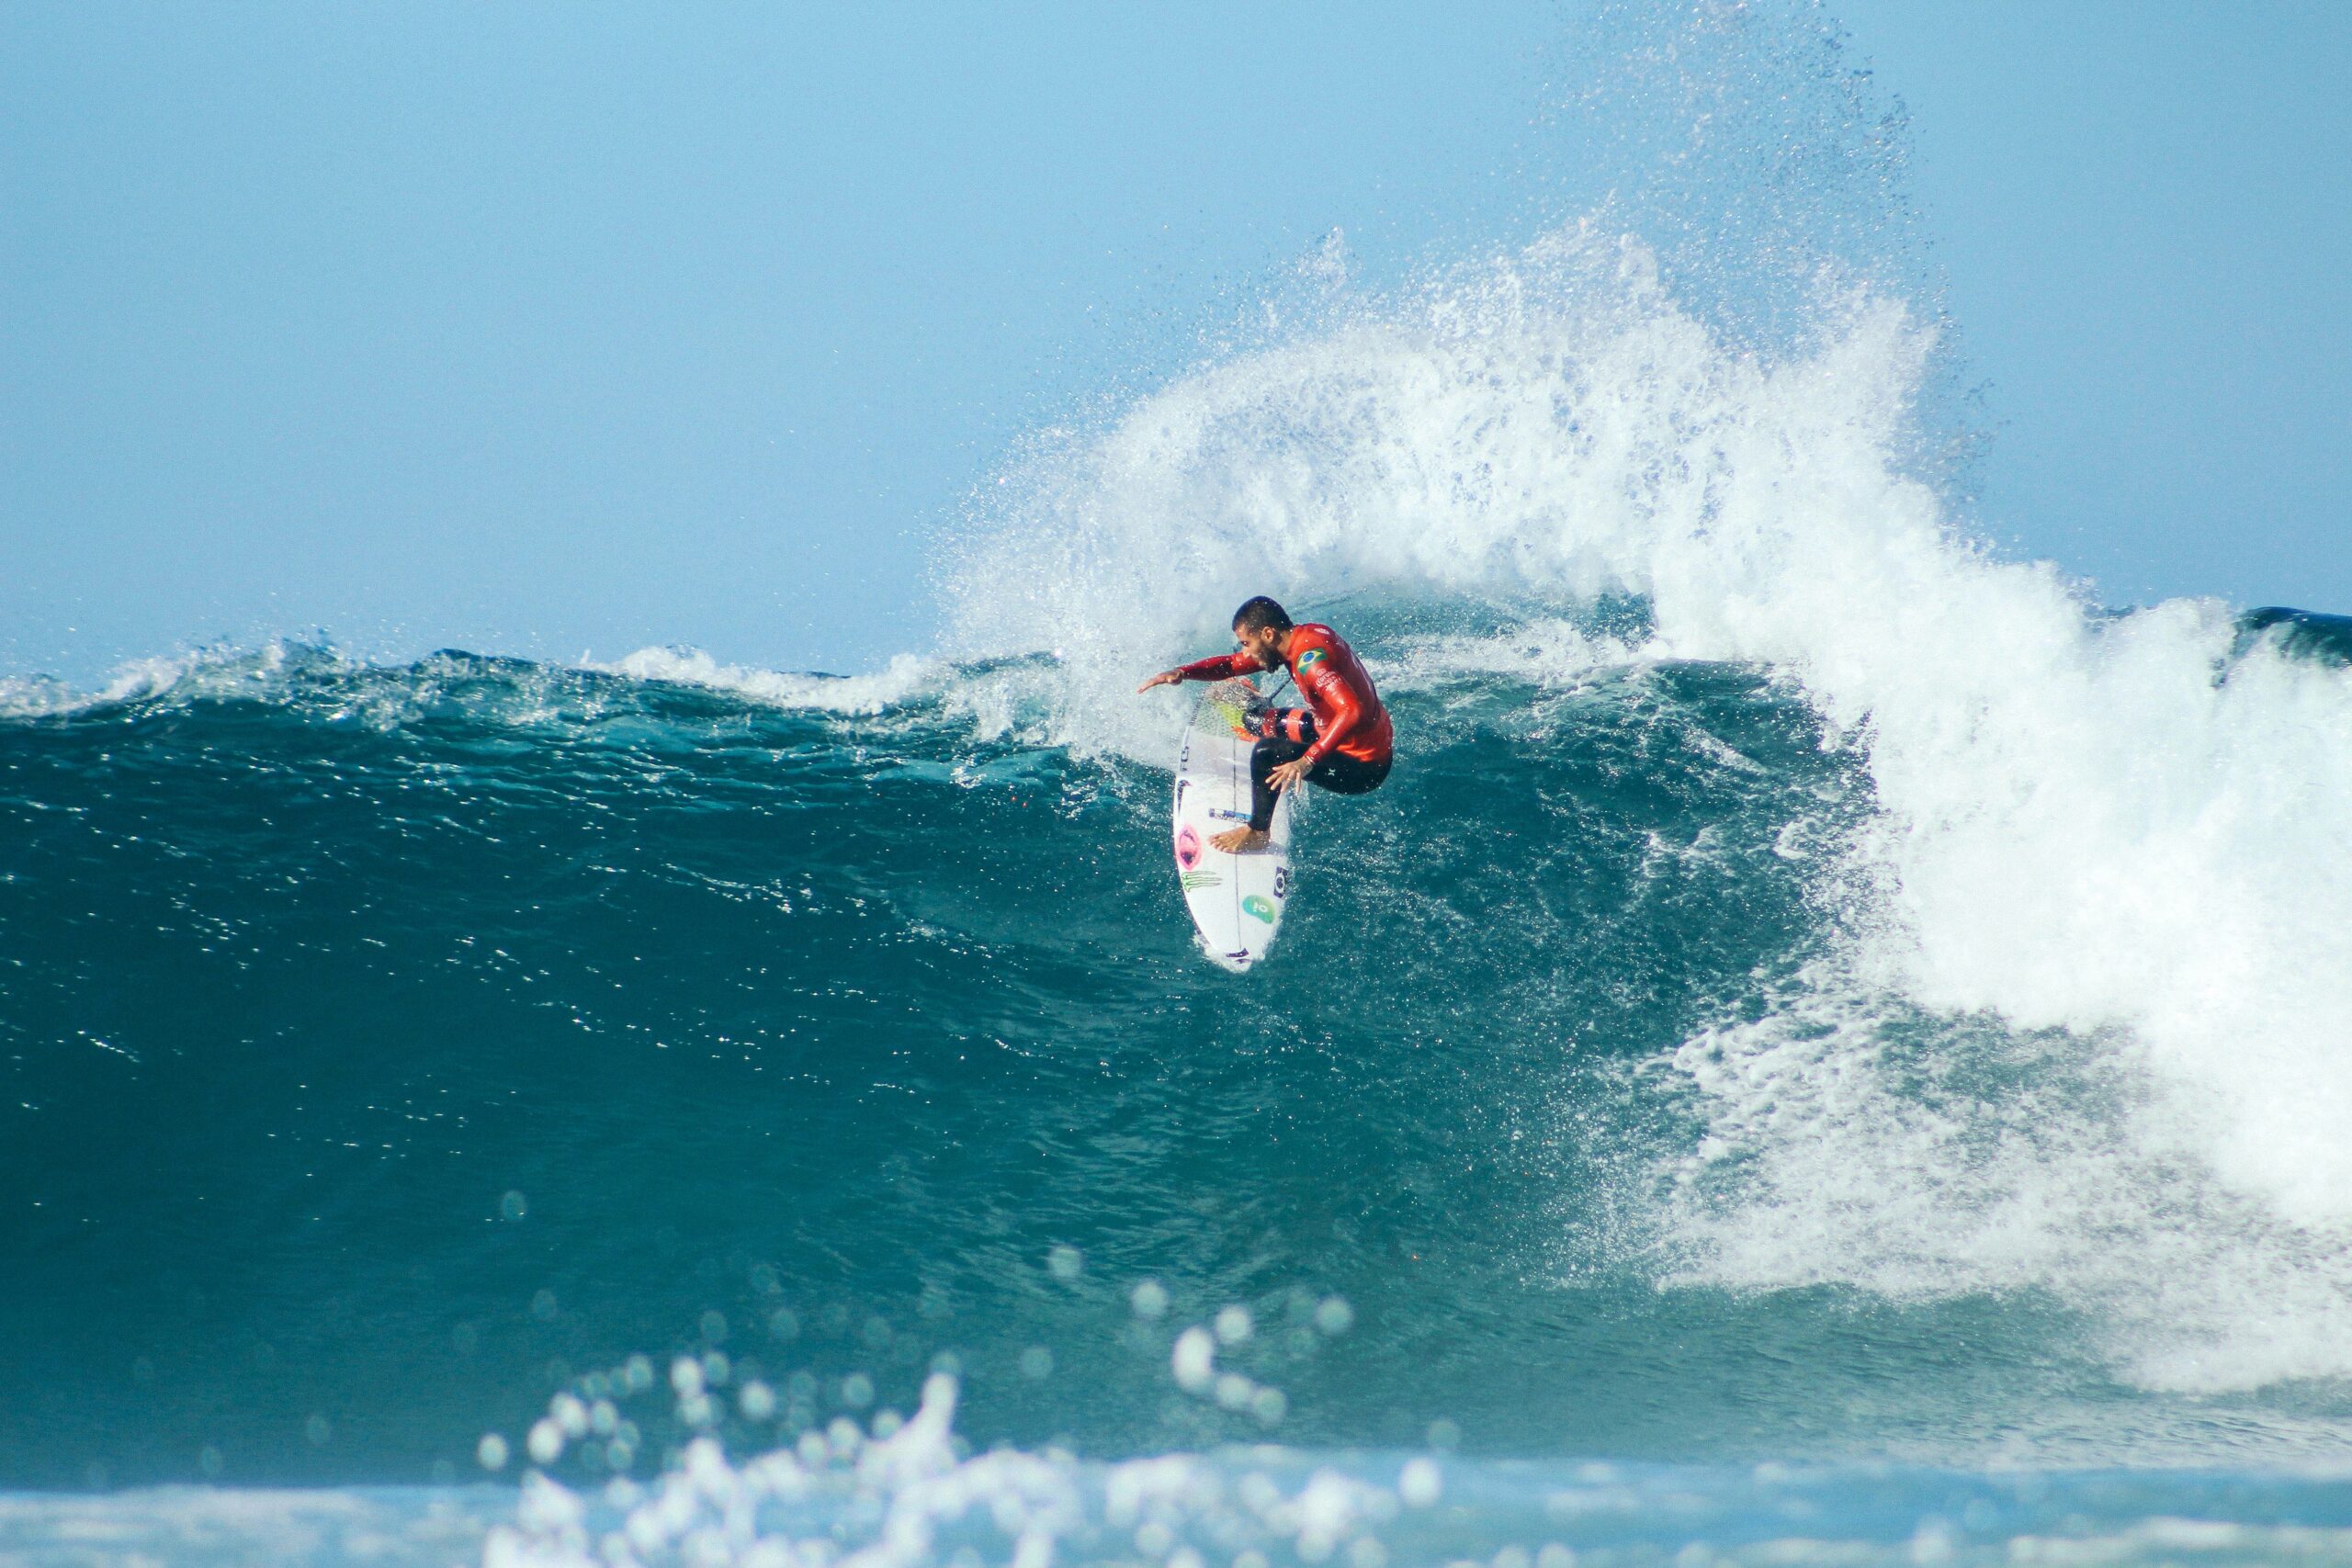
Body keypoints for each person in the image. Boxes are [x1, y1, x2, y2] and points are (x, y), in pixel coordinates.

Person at [1137, 597, 1393, 852]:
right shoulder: (1303, 636)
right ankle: (1269, 727)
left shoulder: (1310, 662)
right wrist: (1183, 672)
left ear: (1268, 634)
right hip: (1334, 730)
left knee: (1266, 753)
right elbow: (1232, 664)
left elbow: (1352, 711)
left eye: (1247, 643)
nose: (1245, 652)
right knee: (1256, 720)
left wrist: (1307, 760)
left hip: (1362, 767)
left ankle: (1258, 832)